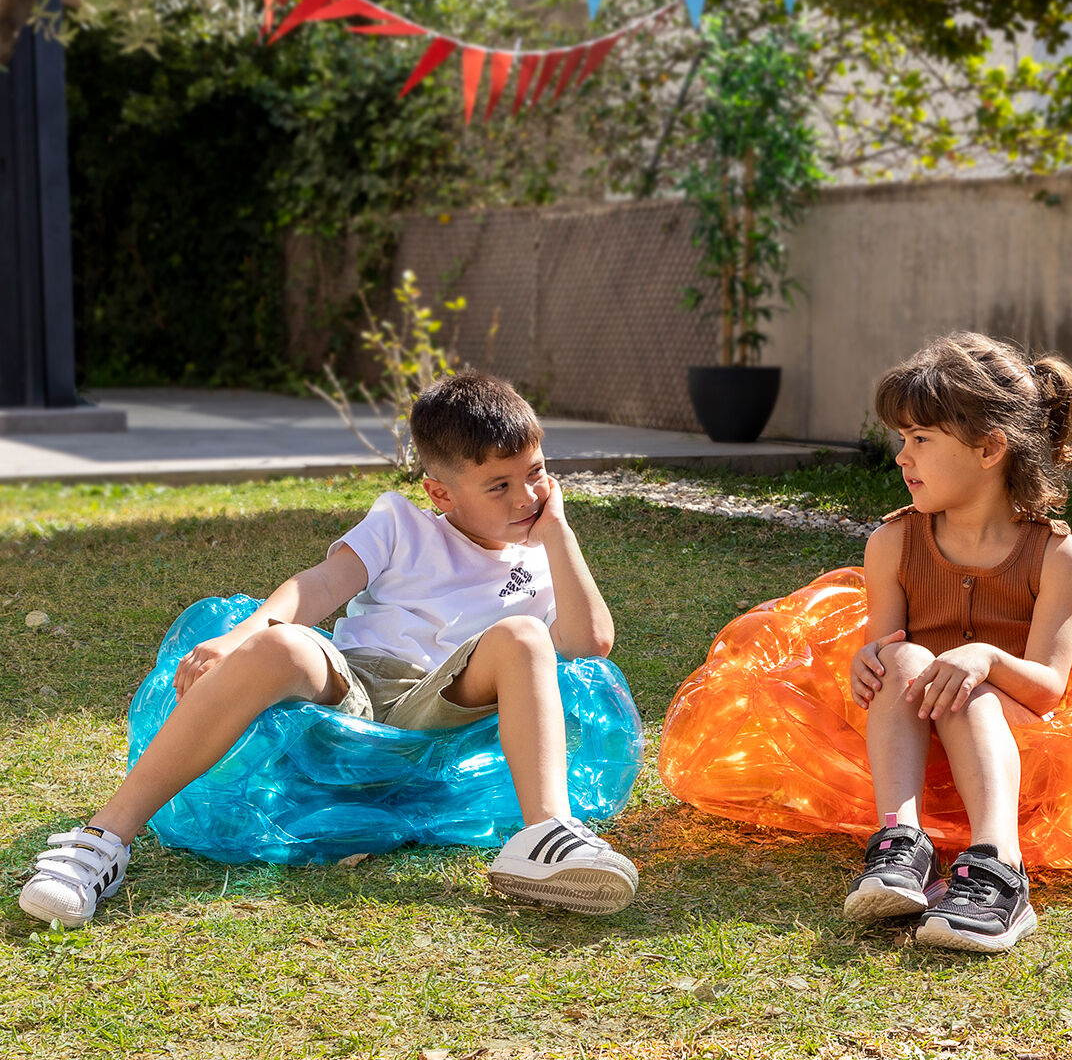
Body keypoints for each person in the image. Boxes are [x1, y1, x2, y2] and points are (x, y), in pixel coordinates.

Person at [20, 372, 637, 927]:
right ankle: (104, 840)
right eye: (498, 485)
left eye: (535, 474)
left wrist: (559, 532)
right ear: (442, 494)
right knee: (283, 645)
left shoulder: (543, 552)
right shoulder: (402, 523)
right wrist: (243, 636)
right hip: (359, 687)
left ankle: (548, 837)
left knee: (525, 634)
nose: (526, 497)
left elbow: (591, 643)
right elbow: (319, 586)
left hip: (453, 699)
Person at [844, 332, 1072, 953]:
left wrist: (984, 657)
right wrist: (871, 663)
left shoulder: (1058, 557)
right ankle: (901, 842)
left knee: (972, 692)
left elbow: (1047, 691)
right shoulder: (893, 544)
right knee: (905, 656)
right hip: (915, 736)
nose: (902, 457)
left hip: (1011, 731)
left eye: (921, 440)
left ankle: (998, 869)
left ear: (989, 448)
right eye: (901, 439)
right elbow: (888, 661)